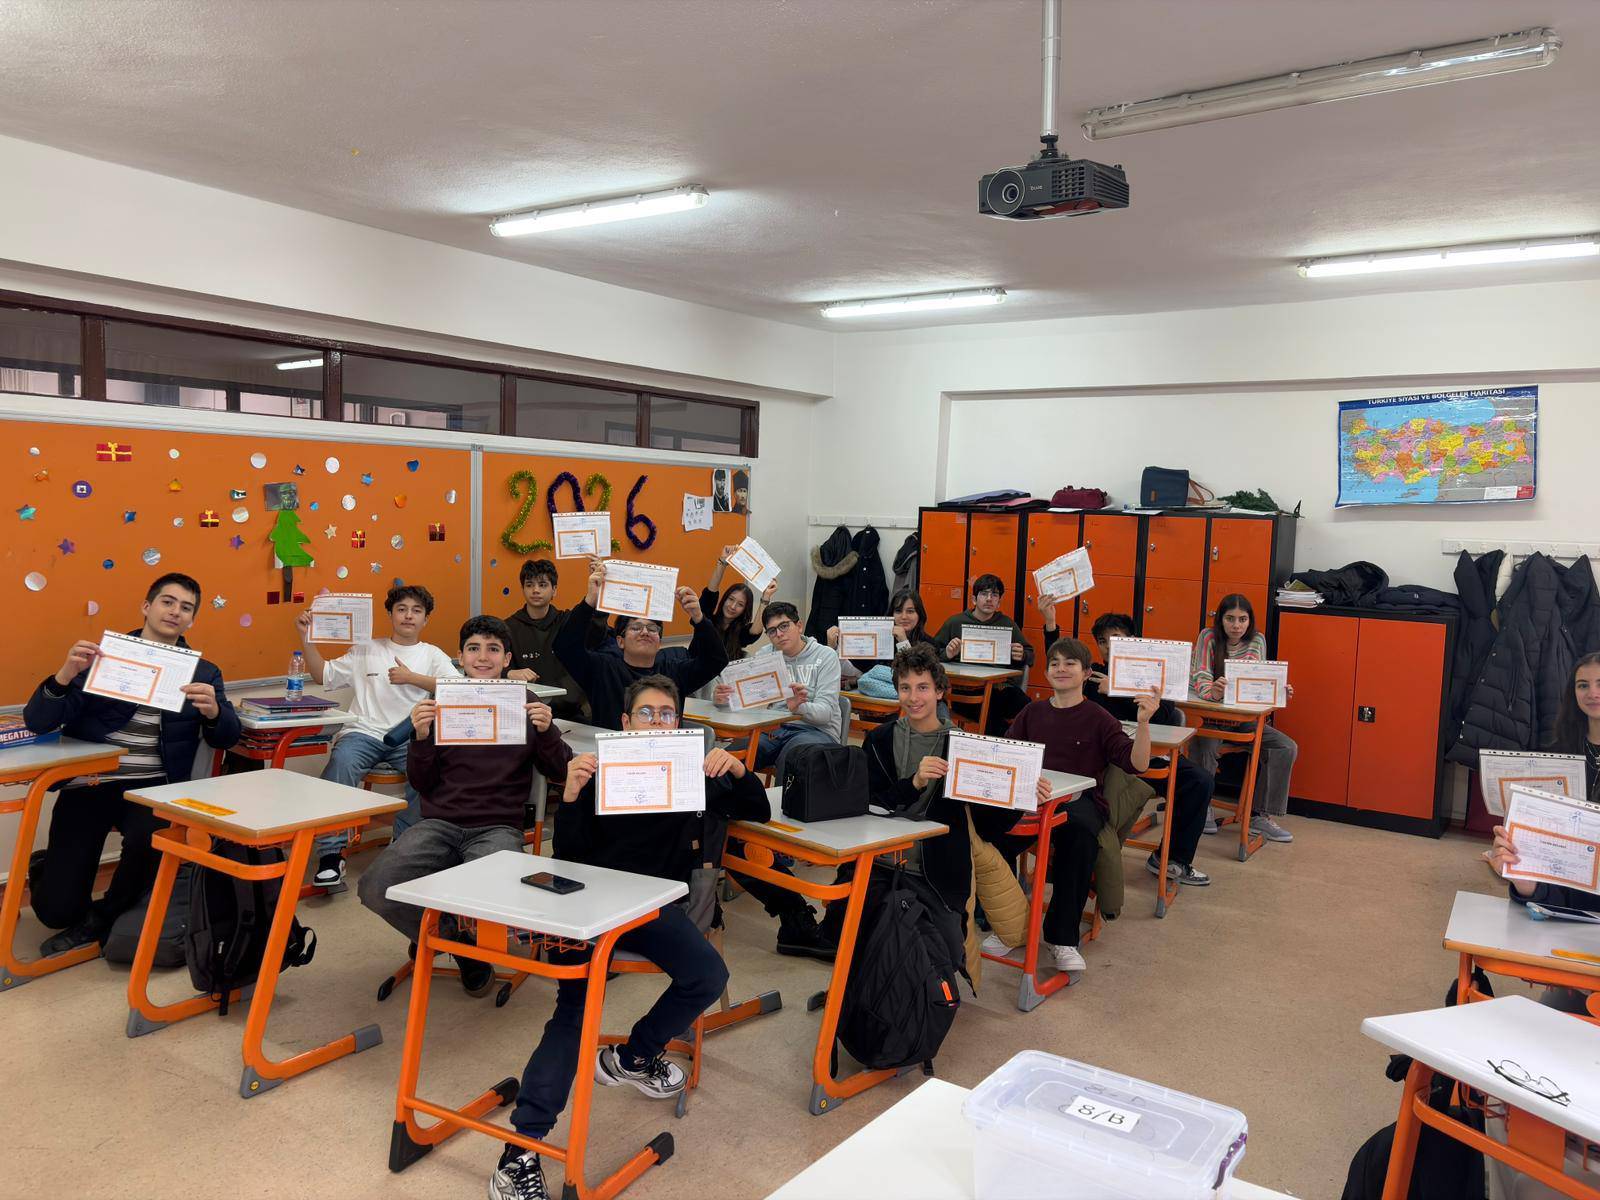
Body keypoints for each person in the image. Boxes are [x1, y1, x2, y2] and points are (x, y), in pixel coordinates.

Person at [493, 675, 767, 1200]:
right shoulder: (598, 771)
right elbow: (568, 857)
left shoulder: (692, 771)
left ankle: (634, 1056)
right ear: (625, 723)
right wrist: (572, 794)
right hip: (590, 904)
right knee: (575, 1014)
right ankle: (521, 1149)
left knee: (708, 975)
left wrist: (737, 769)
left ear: (679, 724)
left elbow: (758, 810)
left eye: (667, 715)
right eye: (646, 713)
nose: (657, 722)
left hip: (653, 907)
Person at [22, 573, 241, 955]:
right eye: (167, 602)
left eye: (186, 607)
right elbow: (38, 721)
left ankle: (102, 918)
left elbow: (226, 737)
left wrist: (215, 712)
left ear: (192, 620)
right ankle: (48, 870)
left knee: (150, 837)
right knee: (56, 913)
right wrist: (65, 675)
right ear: (147, 606)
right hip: (91, 781)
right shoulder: (104, 658)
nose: (175, 612)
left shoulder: (204, 673)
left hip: (153, 785)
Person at [357, 615, 572, 996]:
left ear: (507, 659)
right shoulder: (442, 701)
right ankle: (457, 943)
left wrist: (546, 731)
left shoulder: (525, 702)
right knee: (375, 886)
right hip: (439, 823)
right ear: (460, 656)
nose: (483, 657)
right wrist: (421, 738)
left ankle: (442, 938)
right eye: (474, 648)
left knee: (493, 892)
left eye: (493, 649)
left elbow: (560, 771)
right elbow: (422, 784)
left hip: (497, 826)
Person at [982, 636, 1157, 975]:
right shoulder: (1032, 712)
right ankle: (1011, 925)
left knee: (1079, 839)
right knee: (993, 836)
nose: (1060, 669)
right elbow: (1008, 756)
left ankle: (1062, 938)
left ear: (1087, 673)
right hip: (1033, 797)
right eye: (1054, 664)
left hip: (1080, 801)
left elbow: (1137, 764)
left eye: (1070, 663)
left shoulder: (1099, 717)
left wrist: (1144, 722)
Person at [855, 645, 1049, 940]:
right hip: (881, 862)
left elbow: (989, 826)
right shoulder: (879, 739)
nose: (913, 697)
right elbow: (869, 805)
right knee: (864, 939)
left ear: (939, 691)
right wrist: (914, 783)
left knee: (943, 948)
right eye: (905, 688)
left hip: (938, 870)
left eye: (923, 687)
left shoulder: (965, 746)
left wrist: (1022, 795)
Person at [296, 583, 460, 888]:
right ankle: (331, 855)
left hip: (408, 735)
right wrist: (307, 639)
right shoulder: (367, 649)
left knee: (427, 773)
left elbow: (458, 688)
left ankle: (403, 847)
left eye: (416, 611)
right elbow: (323, 675)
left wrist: (412, 678)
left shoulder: (432, 654)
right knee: (340, 765)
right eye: (401, 609)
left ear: (426, 619)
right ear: (390, 614)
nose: (408, 616)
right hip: (363, 733)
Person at [1057, 606, 1214, 887]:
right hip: (1104, 764)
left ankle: (1172, 859)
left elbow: (1165, 717)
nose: (1109, 646)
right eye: (1103, 641)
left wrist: (1118, 689)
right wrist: (1050, 622)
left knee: (1199, 781)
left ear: (1133, 641)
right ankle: (1089, 855)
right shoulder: (1092, 677)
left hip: (1147, 759)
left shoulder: (1152, 678)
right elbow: (1061, 675)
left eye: (1117, 639)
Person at [1487, 651, 1600, 919]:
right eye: (1583, 685)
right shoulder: (1556, 756)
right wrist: (1522, 874)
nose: (1593, 693)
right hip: (1561, 890)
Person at [1187, 594, 1298, 845]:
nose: (1236, 625)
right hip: (1210, 716)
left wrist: (1278, 691)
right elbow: (1200, 674)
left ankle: (1260, 814)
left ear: (1250, 621)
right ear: (1220, 620)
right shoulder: (1208, 636)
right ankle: (1202, 806)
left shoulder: (1257, 640)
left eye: (1242, 619)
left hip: (1242, 720)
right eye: (1230, 619)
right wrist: (1213, 692)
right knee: (1204, 744)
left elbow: (1255, 677)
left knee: (1285, 747)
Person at [714, 600, 841, 777]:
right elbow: (745, 701)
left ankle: (782, 797)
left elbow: (825, 714)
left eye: (784, 626)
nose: (779, 634)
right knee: (724, 761)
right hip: (773, 730)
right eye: (772, 631)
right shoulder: (766, 655)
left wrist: (799, 707)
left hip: (816, 731)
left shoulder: (826, 656)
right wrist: (723, 700)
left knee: (792, 760)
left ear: (799, 626)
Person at [929, 573, 1033, 733]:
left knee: (1027, 706)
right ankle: (1004, 738)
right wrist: (947, 654)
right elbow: (931, 653)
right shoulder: (955, 622)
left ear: (999, 602)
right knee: (992, 713)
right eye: (984, 594)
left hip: (999, 689)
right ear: (974, 599)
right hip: (964, 691)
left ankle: (1005, 738)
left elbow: (1030, 655)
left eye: (994, 595)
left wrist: (1022, 655)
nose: (989, 599)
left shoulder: (1007, 624)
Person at [503, 558, 604, 721]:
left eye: (543, 585)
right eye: (529, 585)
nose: (536, 590)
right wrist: (509, 673)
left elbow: (596, 634)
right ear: (523, 589)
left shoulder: (569, 622)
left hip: (570, 714)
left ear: (554, 590)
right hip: (526, 715)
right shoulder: (508, 628)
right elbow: (488, 667)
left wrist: (598, 594)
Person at [826, 586, 938, 688]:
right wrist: (833, 648)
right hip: (874, 695)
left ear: (919, 614)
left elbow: (915, 677)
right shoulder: (881, 639)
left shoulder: (928, 644)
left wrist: (903, 642)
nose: (904, 616)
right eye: (898, 611)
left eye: (910, 611)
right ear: (892, 614)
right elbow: (855, 671)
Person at [701, 545, 776, 662]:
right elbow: (710, 594)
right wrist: (723, 562)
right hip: (698, 671)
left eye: (740, 604)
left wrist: (766, 596)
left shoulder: (739, 632)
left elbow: (755, 631)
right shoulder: (707, 620)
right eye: (731, 599)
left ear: (745, 609)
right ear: (724, 599)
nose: (732, 606)